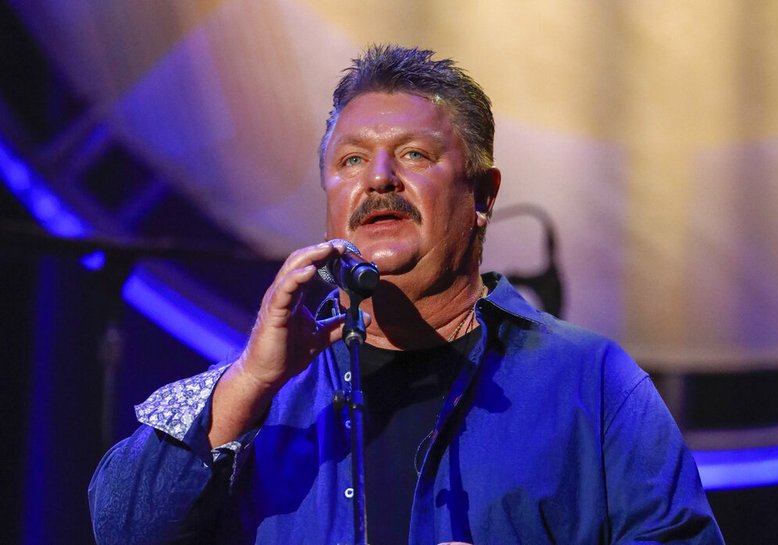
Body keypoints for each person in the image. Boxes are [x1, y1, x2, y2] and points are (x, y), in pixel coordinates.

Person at [89, 45, 724, 545]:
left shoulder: (592, 381)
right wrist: (249, 383)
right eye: (352, 162)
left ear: (483, 196)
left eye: (414, 154)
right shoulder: (262, 398)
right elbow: (121, 530)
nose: (380, 179)